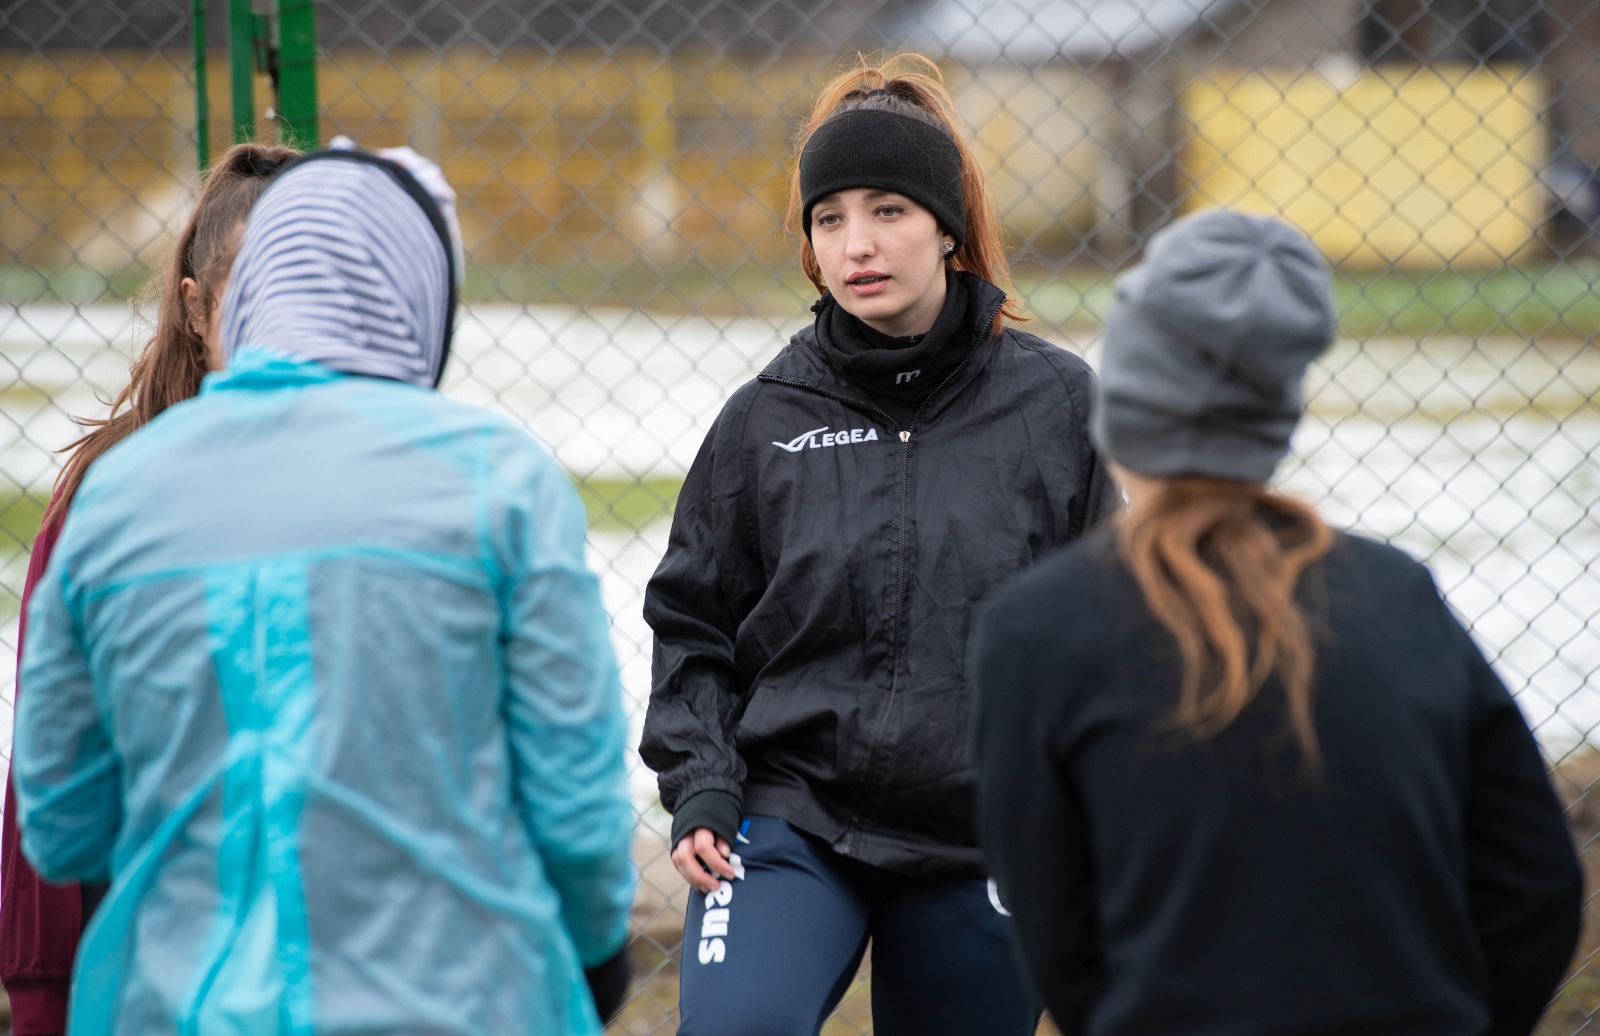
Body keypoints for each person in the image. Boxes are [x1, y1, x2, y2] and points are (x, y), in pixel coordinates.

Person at [12, 143, 635, 1034]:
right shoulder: (500, 482)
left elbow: (64, 819)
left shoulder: (114, 494)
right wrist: (593, 957)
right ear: (422, 293)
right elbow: (575, 804)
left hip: (177, 1004)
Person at [970, 209, 1584, 1036]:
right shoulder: (1397, 594)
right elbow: (1535, 881)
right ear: (1279, 405)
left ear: (1123, 399)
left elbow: (1054, 931)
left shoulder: (1034, 630)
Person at [640, 53, 1117, 1035]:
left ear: (947, 227)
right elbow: (692, 626)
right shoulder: (761, 421)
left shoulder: (1058, 405)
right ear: (810, 246)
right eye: (830, 218)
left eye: (890, 209)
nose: (858, 243)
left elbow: (1111, 636)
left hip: (984, 831)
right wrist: (702, 786)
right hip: (787, 817)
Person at [0, 140, 297, 1036]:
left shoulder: (411, 487)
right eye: (254, 292)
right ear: (195, 307)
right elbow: (50, 763)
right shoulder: (111, 493)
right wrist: (45, 986)